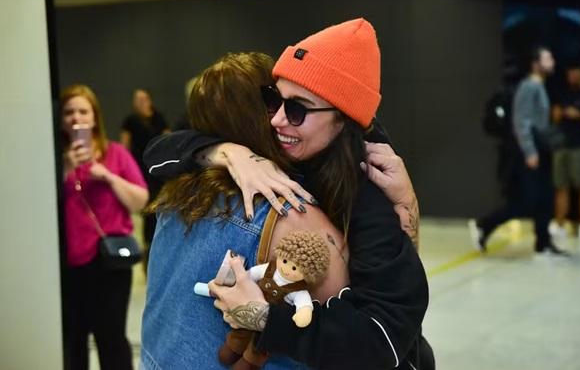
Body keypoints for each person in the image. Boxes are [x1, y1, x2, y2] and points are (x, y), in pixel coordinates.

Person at [142, 19, 429, 370]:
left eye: (296, 108)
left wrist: (266, 318)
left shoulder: (363, 194)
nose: (277, 119)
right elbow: (158, 151)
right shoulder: (279, 161)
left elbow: (381, 340)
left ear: (342, 119)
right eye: (273, 100)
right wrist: (229, 152)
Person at [61, 84, 149, 370]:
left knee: (111, 338)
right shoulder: (52, 159)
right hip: (67, 266)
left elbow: (140, 200)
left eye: (83, 111)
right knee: (73, 340)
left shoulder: (116, 154)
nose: (76, 118)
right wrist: (64, 171)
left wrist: (108, 176)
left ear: (95, 117)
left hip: (111, 263)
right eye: (69, 112)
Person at [469, 46, 567, 255]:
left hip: (541, 151)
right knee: (526, 201)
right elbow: (520, 121)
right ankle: (485, 224)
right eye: (547, 58)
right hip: (528, 153)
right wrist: (530, 151)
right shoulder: (529, 87)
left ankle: (543, 243)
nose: (552, 61)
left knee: (544, 199)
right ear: (536, 63)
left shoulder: (540, 86)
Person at [548, 64, 580, 241]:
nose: (571, 75)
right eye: (568, 72)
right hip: (562, 145)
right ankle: (560, 223)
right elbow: (553, 118)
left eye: (575, 72)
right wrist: (560, 113)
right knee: (561, 186)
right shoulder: (562, 93)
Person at [120, 89, 169, 271]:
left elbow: (167, 139)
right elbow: (125, 146)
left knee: (160, 209)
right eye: (137, 99)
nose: (140, 102)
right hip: (140, 172)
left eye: (143, 98)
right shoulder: (130, 121)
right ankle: (147, 259)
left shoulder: (158, 118)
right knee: (148, 214)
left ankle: (161, 253)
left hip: (158, 172)